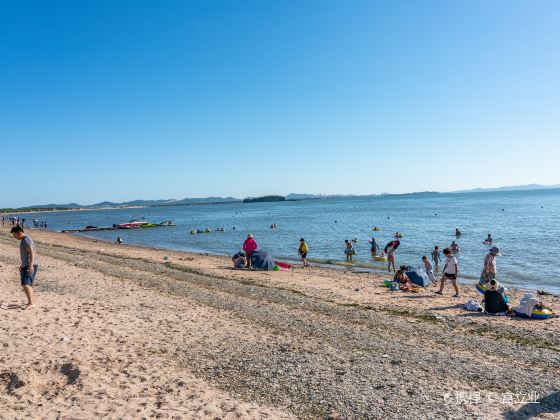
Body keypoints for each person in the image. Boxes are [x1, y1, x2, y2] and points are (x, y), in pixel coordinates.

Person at [11, 226, 38, 310]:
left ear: (19, 232)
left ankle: (31, 303)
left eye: (14, 235)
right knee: (25, 284)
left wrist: (30, 265)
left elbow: (32, 252)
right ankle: (31, 301)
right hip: (25, 264)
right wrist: (22, 264)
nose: (14, 237)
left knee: (26, 284)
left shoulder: (26, 239)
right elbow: (26, 254)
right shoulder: (23, 240)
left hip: (30, 264)